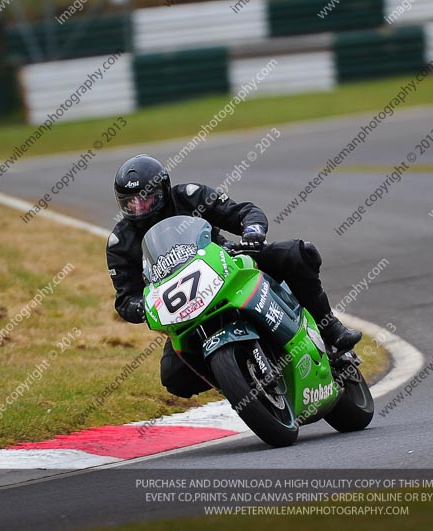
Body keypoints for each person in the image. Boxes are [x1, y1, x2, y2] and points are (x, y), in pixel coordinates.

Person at [106, 154, 362, 398]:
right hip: (184, 310)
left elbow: (244, 212)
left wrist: (252, 232)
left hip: (227, 267)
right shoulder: (120, 242)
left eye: (146, 199)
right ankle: (235, 379)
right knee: (174, 378)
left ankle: (330, 329)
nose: (138, 208)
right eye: (130, 202)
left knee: (297, 254)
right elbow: (125, 298)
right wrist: (144, 307)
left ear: (163, 190)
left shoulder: (189, 196)